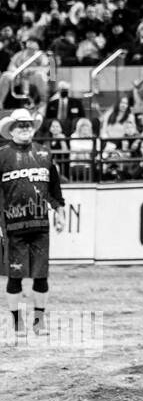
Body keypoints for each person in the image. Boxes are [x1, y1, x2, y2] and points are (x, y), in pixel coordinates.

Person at [0, 109, 66, 338]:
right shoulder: (2, 156)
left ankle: (38, 322)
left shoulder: (45, 155)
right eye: (21, 124)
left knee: (41, 275)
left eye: (29, 123)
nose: (26, 127)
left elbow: (55, 189)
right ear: (12, 129)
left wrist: (60, 212)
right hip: (12, 227)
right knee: (15, 277)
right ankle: (17, 323)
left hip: (40, 226)